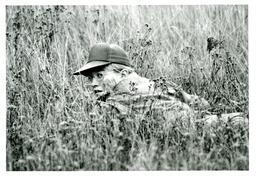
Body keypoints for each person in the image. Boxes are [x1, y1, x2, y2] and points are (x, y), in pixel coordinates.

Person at [73, 43, 248, 127]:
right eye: (90, 78)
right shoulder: (161, 84)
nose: (93, 83)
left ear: (124, 73)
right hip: (219, 123)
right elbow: (202, 104)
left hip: (198, 132)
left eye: (100, 75)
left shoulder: (112, 104)